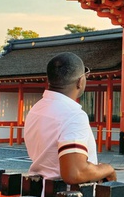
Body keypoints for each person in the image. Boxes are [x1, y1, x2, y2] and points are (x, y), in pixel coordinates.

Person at [24, 52, 116, 184]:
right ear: (80, 81)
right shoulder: (73, 114)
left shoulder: (36, 109)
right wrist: (108, 169)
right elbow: (75, 173)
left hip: (39, 190)